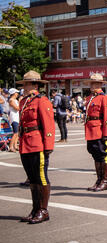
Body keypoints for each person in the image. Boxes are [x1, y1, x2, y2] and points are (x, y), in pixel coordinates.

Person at [16, 70, 55, 224]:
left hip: (38, 143)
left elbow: (48, 125)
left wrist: (48, 146)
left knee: (41, 177)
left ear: (34, 85)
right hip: (26, 143)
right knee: (32, 179)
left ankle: (43, 211)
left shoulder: (42, 100)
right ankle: (35, 209)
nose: (24, 86)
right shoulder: (24, 101)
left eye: (26, 83)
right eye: (24, 83)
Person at [84, 73, 107, 192]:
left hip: (99, 131)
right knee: (96, 156)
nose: (91, 85)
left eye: (94, 83)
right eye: (91, 83)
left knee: (102, 155)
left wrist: (106, 134)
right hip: (91, 130)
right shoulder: (90, 97)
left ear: (99, 84)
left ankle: (104, 181)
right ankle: (98, 180)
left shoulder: (105, 97)